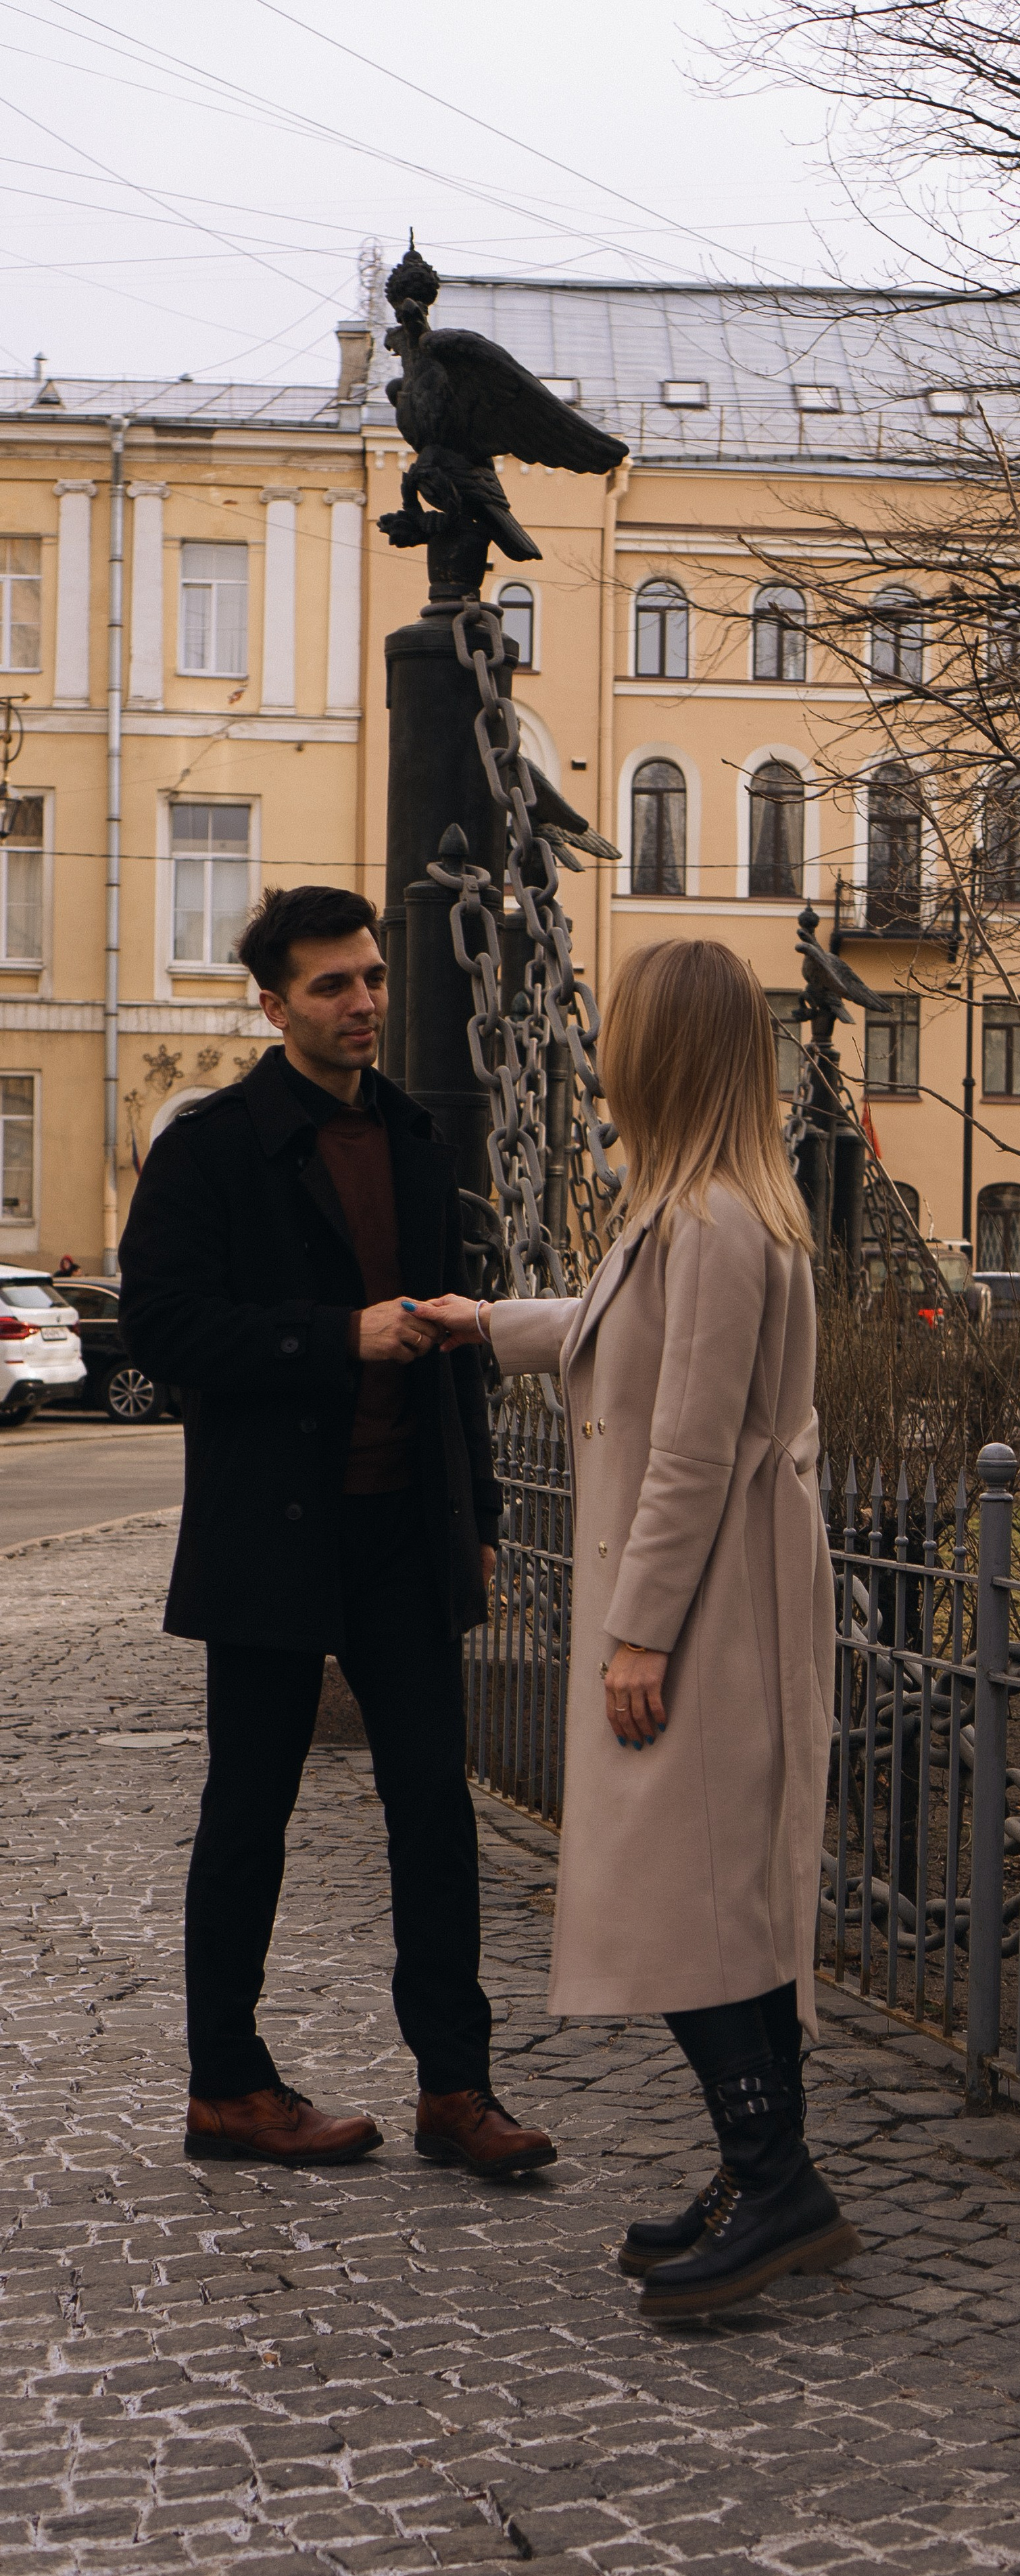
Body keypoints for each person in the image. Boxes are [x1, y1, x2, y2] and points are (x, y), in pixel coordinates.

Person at [410, 938, 857, 2320]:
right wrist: (489, 1323)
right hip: (723, 1591)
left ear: (661, 1052)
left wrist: (638, 1634)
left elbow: (693, 1446)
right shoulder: (706, 1210)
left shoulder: (712, 1220)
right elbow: (628, 1333)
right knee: (721, 1899)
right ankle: (771, 2175)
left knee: (688, 1904)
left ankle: (772, 2181)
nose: (602, 1058)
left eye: (622, 1035)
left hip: (708, 1606)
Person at [118, 884, 555, 2180]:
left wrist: (477, 1515)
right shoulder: (212, 1148)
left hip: (403, 1530)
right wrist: (334, 1339)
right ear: (273, 1004)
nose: (364, 1002)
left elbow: (457, 1350)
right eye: (332, 985)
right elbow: (164, 1331)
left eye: (371, 977)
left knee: (434, 1809)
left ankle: (455, 2089)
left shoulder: (417, 1139)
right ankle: (227, 2088)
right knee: (248, 1810)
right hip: (270, 1528)